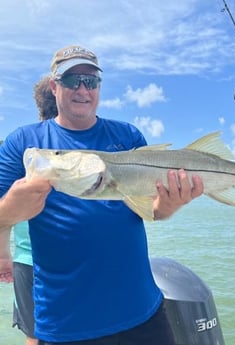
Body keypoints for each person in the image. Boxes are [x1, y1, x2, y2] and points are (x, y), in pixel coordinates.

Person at [0, 45, 204, 345]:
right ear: (54, 86)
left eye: (91, 81)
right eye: (71, 80)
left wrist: (169, 204)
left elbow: (151, 210)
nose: (82, 89)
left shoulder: (128, 136)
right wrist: (9, 212)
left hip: (142, 313)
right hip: (64, 324)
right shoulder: (24, 142)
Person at [0, 76, 57, 345]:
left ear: (39, 107)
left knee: (34, 336)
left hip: (27, 259)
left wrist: (2, 254)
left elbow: (5, 209)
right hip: (68, 260)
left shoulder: (25, 148)